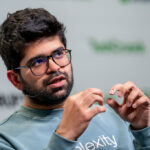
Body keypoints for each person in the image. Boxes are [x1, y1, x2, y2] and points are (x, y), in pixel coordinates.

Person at [0, 8, 149, 150]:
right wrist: (65, 135)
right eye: (38, 62)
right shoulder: (6, 139)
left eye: (58, 54)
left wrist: (144, 131)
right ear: (15, 80)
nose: (54, 67)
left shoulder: (112, 114)